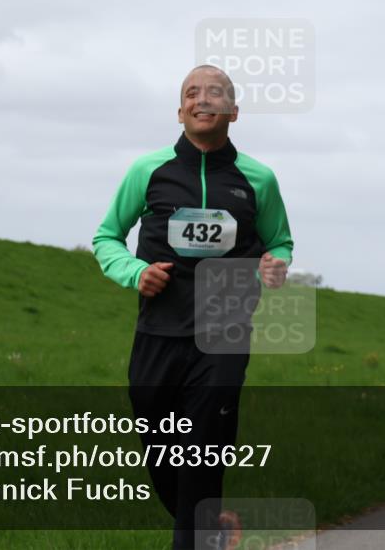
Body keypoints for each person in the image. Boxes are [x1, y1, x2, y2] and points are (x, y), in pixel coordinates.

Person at [93, 65, 293, 550]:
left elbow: (280, 242)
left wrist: (275, 265)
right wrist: (136, 273)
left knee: (203, 452)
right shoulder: (149, 170)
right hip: (159, 332)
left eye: (215, 93)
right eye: (191, 93)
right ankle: (215, 527)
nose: (202, 99)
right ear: (179, 110)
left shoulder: (258, 179)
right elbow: (106, 238)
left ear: (234, 111)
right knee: (159, 449)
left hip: (224, 334)